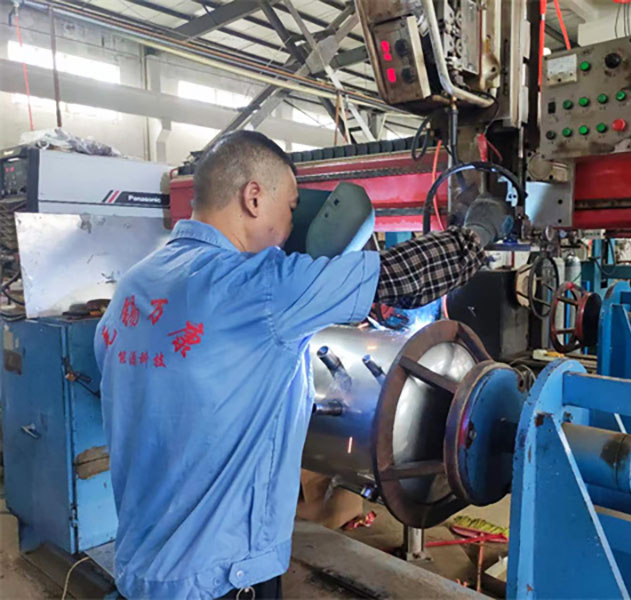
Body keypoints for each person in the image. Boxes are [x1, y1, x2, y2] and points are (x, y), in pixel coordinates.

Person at [94, 130, 510, 600]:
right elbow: (403, 277)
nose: (292, 224)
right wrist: (478, 233)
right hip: (220, 580)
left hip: (139, 569)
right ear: (253, 198)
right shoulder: (259, 285)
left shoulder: (134, 285)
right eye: (290, 207)